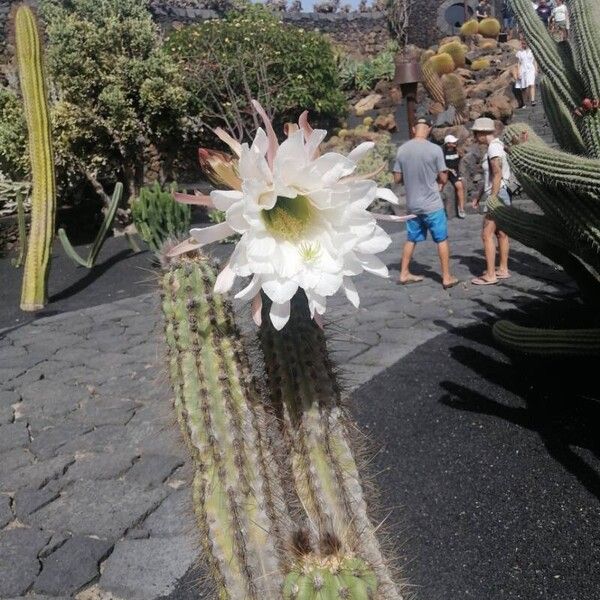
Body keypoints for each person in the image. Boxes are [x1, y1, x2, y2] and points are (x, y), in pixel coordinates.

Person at [393, 117, 459, 289]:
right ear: (429, 129)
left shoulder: (402, 150)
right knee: (441, 239)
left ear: (414, 129)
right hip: (432, 205)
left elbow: (397, 178)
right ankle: (446, 277)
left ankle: (404, 273)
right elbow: (444, 176)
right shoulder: (435, 150)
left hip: (413, 205)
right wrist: (439, 182)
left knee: (411, 239)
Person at [470, 118, 512, 285]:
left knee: (486, 234)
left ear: (482, 133)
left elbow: (496, 173)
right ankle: (502, 269)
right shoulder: (498, 145)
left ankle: (490, 275)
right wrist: (479, 195)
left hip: (498, 193)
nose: (474, 136)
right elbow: (490, 176)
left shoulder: (494, 147)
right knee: (501, 233)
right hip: (503, 192)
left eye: (476, 133)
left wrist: (492, 198)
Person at [443, 134, 466, 219]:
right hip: (444, 171)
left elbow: (460, 162)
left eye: (455, 142)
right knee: (441, 185)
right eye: (452, 142)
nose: (455, 143)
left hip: (454, 172)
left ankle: (461, 208)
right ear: (447, 144)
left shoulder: (457, 151)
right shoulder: (442, 152)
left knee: (460, 186)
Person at [515, 39, 537, 107]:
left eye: (524, 43)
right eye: (522, 43)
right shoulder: (519, 52)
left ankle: (532, 100)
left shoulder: (532, 51)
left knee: (532, 84)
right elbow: (518, 63)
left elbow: (534, 61)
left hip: (531, 69)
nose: (523, 45)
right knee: (524, 87)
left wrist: (536, 70)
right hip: (523, 70)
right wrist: (518, 72)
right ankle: (524, 102)